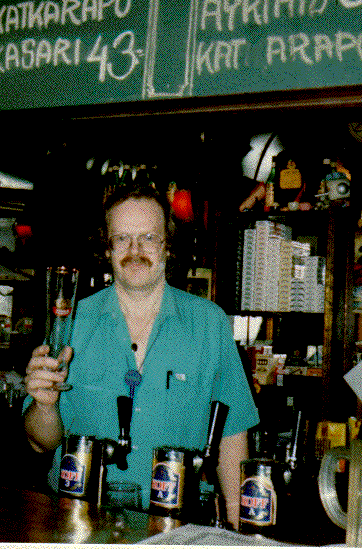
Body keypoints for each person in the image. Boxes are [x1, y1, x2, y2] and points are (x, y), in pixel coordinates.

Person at [23, 185, 259, 528]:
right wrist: (44, 406)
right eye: (122, 238)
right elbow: (40, 443)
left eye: (148, 238)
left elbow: (232, 434)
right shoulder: (70, 323)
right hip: (77, 521)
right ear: (107, 247)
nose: (135, 251)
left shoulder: (209, 323)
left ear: (167, 245)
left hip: (175, 527)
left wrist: (240, 530)